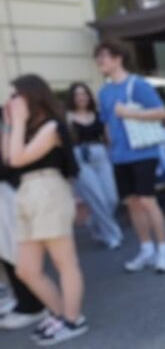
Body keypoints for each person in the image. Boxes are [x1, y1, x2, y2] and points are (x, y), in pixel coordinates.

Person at [4, 74, 87, 345]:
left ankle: (73, 319)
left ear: (31, 95)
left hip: (48, 190)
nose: (12, 100)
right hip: (27, 194)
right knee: (26, 269)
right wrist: (11, 125)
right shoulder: (26, 128)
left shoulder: (51, 126)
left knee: (65, 263)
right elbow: (7, 160)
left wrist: (16, 122)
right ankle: (60, 313)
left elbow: (17, 159)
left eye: (16, 94)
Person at [94, 40, 165, 273]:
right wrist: (111, 150)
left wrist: (129, 112)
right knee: (132, 204)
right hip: (119, 156)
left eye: (103, 57)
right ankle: (147, 249)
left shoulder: (137, 85)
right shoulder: (105, 91)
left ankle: (164, 250)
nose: (100, 61)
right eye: (98, 58)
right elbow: (107, 124)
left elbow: (161, 112)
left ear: (118, 58)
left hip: (143, 152)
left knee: (148, 201)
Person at [0, 109, 47, 331]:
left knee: (13, 251)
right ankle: (23, 301)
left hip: (5, 191)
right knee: (8, 251)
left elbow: (8, 159)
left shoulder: (6, 117)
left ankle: (32, 306)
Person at [66, 82, 123, 250]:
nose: (81, 97)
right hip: (80, 158)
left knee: (111, 198)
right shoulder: (67, 117)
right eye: (77, 94)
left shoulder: (98, 115)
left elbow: (108, 139)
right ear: (72, 98)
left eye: (84, 93)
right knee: (97, 198)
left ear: (89, 96)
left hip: (100, 156)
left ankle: (93, 221)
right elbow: (66, 143)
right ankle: (113, 235)